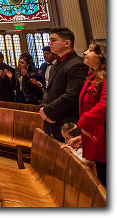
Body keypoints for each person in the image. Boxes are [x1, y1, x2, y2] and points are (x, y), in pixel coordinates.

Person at [65, 39, 106, 185]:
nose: (85, 52)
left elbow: (105, 105)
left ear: (101, 55)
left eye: (90, 50)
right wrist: (83, 137)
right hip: (96, 137)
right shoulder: (93, 76)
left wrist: (83, 124)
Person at [41, 27, 88, 142]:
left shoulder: (77, 64)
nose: (49, 43)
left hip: (68, 122)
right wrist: (43, 107)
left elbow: (71, 95)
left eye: (53, 40)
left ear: (67, 43)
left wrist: (48, 111)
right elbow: (49, 90)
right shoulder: (57, 64)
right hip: (53, 120)